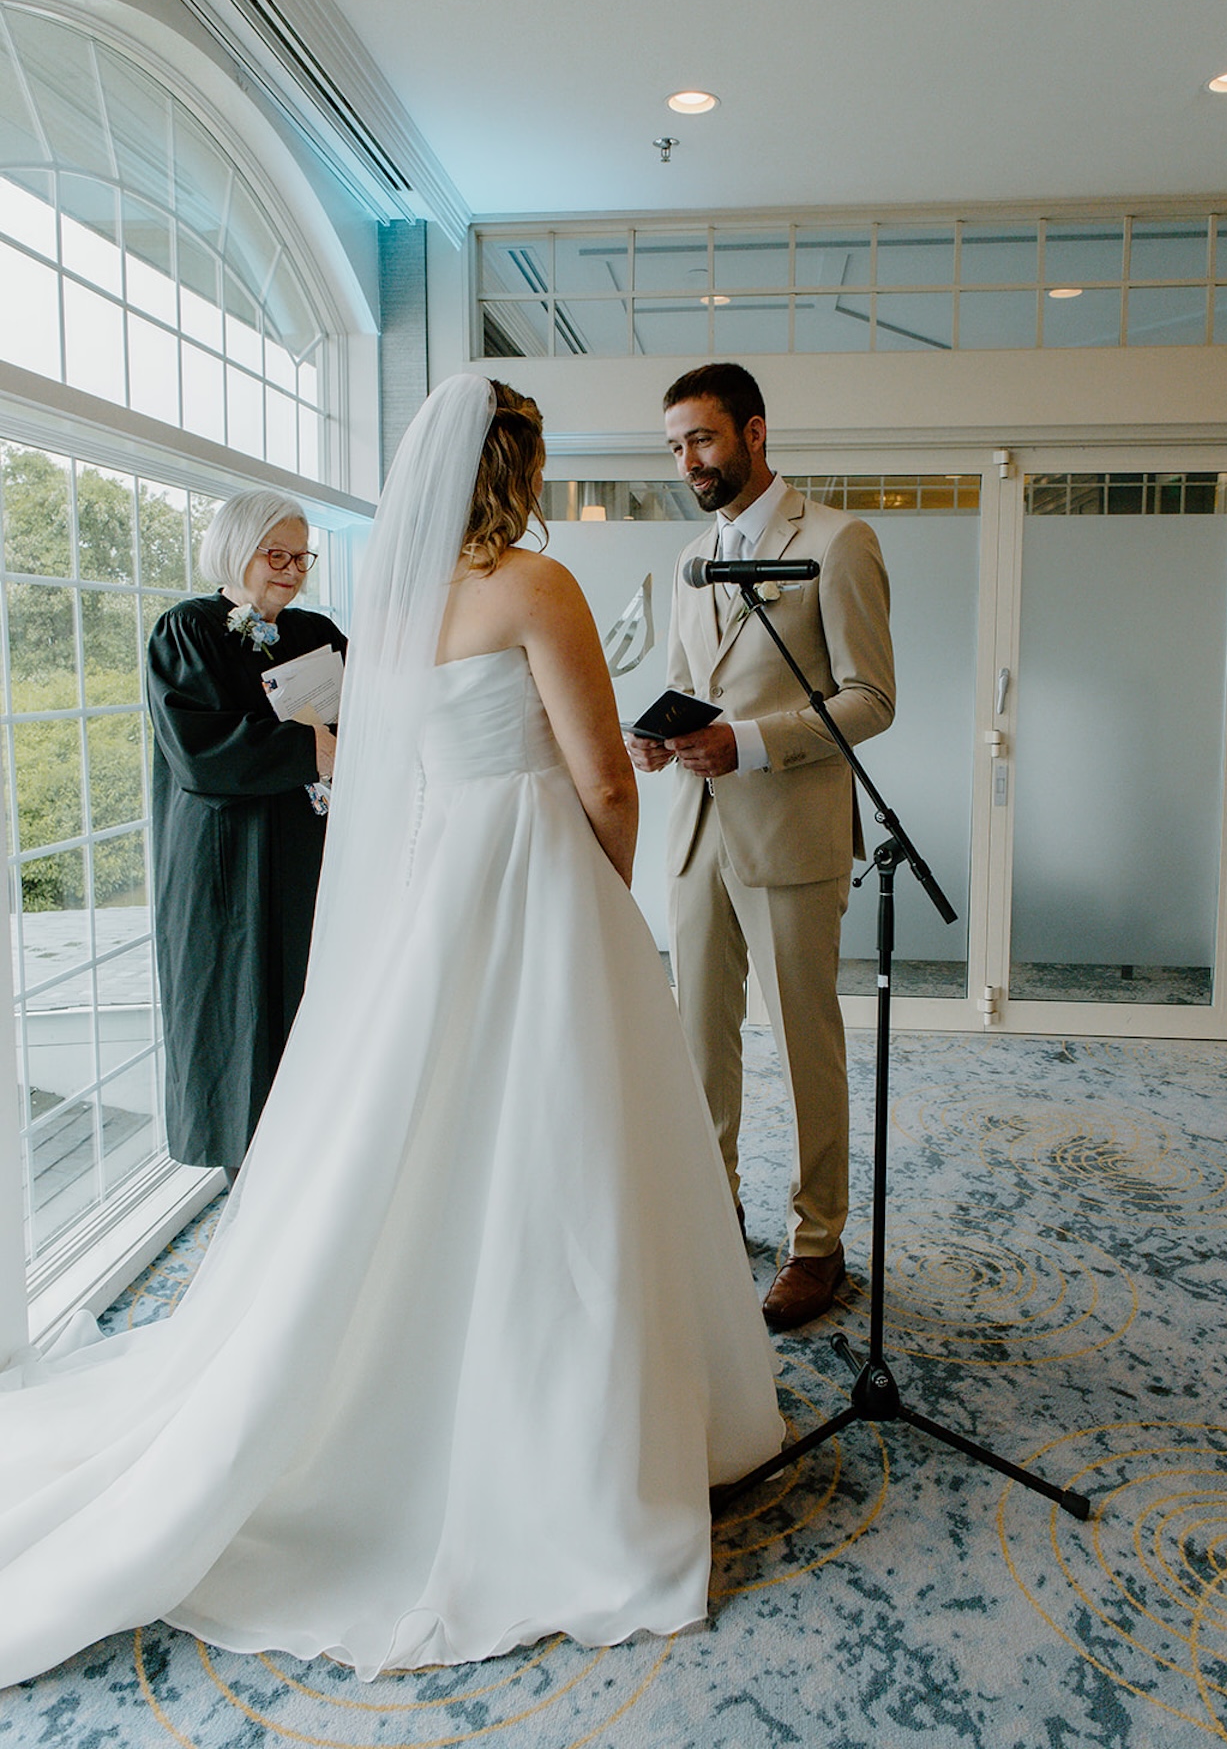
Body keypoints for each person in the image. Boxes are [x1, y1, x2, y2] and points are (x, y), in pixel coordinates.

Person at [0, 374, 781, 1688]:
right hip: (536, 871)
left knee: (425, 1139)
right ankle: (581, 1442)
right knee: (564, 1145)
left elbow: (396, 772)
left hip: (442, 882)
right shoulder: (537, 586)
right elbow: (599, 774)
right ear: (517, 472)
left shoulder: (400, 612)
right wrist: (607, 889)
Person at [626, 363, 895, 1332]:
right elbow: (687, 680)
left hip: (791, 833)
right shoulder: (687, 562)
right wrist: (657, 739)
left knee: (802, 1045)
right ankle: (713, 1211)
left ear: (752, 432)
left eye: (698, 439)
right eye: (673, 447)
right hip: (695, 833)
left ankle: (815, 1242)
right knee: (697, 1043)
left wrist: (746, 743)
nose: (685, 462)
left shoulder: (834, 541)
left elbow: (871, 697)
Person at [147, 493, 346, 1173]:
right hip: (226, 863)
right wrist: (313, 748)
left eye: (301, 557)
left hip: (310, 855)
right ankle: (248, 1192)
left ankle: (313, 1181)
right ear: (237, 551)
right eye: (277, 555)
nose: (291, 570)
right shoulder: (188, 631)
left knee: (312, 1006)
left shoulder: (317, 633)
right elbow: (199, 751)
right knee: (239, 1017)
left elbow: (369, 714)